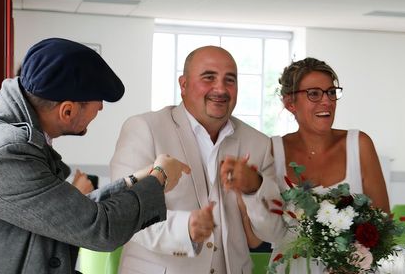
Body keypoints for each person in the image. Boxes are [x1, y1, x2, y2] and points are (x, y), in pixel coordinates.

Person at [0, 38, 190, 274]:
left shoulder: (5, 123)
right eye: (96, 108)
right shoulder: (6, 153)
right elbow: (100, 228)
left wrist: (134, 180)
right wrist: (159, 177)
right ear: (67, 111)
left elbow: (66, 212)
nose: (98, 112)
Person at [110, 45, 283, 273]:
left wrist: (255, 188)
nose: (220, 88)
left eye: (229, 80)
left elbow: (273, 232)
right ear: (183, 85)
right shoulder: (144, 129)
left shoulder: (258, 143)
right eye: (208, 77)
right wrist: (185, 229)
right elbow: (126, 213)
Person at [244, 57, 390, 273]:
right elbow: (256, 235)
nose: (327, 101)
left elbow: (383, 223)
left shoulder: (359, 144)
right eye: (314, 94)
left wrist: (350, 264)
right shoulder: (272, 150)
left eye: (331, 92)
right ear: (289, 103)